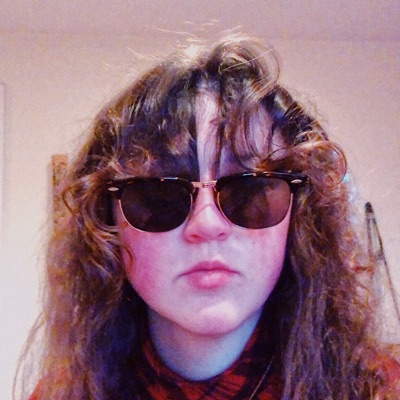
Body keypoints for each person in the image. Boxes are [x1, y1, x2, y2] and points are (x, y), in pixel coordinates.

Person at [20, 34, 399, 399]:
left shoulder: (377, 389)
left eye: (249, 190)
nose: (207, 225)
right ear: (108, 225)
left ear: (300, 220)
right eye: (159, 196)